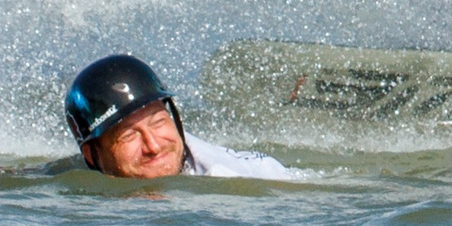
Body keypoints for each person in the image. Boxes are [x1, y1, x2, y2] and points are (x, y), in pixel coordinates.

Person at [61, 55, 297, 181]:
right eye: (129, 136)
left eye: (159, 122)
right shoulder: (82, 174)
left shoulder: (225, 181)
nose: (153, 146)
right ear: (91, 155)